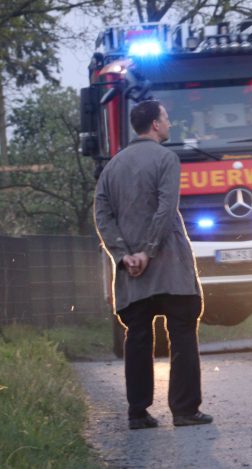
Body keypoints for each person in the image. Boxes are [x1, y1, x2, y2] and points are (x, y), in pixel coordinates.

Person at [94, 99, 214, 430]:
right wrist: (148, 251)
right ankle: (185, 409)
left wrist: (123, 255)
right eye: (166, 117)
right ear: (156, 125)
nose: (170, 123)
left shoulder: (112, 167)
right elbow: (165, 208)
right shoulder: (166, 159)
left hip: (132, 274)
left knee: (138, 337)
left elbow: (102, 215)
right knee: (183, 333)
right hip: (169, 266)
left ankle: (138, 412)